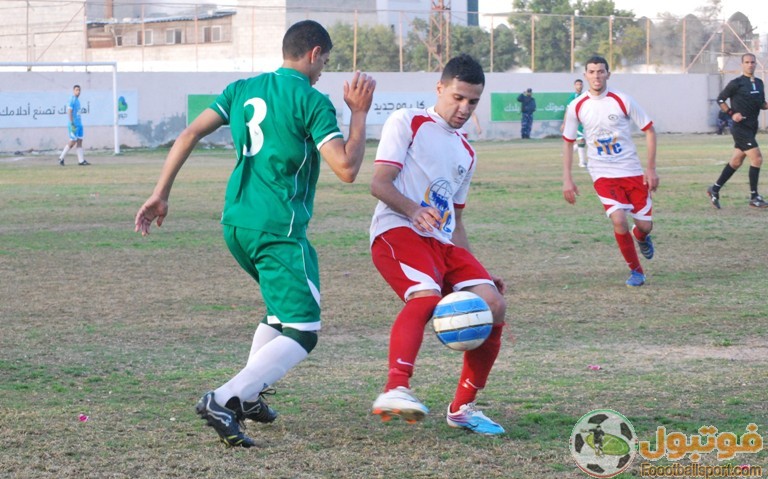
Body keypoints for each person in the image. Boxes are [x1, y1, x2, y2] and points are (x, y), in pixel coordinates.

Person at [134, 20, 375, 448]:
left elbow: (189, 132)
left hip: (236, 223)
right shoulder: (312, 100)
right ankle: (225, 399)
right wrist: (358, 113)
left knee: (281, 316)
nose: (324, 72)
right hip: (277, 228)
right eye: (326, 62)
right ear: (315, 53)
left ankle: (248, 399)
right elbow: (347, 169)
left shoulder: (241, 89)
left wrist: (160, 193)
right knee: (303, 330)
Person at [368, 54, 507, 435]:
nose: (464, 108)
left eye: (473, 101)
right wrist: (413, 210)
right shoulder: (408, 120)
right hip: (397, 229)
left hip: (441, 243)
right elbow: (379, 183)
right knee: (426, 296)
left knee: (492, 304)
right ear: (440, 89)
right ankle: (395, 388)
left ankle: (462, 408)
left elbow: (456, 221)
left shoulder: (467, 151)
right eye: (458, 97)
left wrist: (475, 269)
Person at [562, 56, 658, 288]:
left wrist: (651, 168)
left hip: (632, 171)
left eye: (601, 71)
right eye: (592, 72)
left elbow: (650, 130)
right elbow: (568, 141)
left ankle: (641, 236)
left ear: (608, 74)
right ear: (585, 75)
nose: (596, 76)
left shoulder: (622, 100)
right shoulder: (576, 106)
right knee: (618, 220)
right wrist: (567, 178)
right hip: (602, 174)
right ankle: (636, 271)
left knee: (644, 226)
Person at [706, 53, 768, 209]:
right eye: (747, 62)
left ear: (756, 64)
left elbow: (761, 104)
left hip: (752, 127)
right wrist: (732, 113)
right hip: (740, 128)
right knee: (757, 158)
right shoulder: (736, 83)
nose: (750, 65)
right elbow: (720, 99)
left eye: (752, 62)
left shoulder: (760, 83)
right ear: (742, 65)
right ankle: (754, 196)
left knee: (736, 161)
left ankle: (715, 189)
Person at [58, 85, 90, 166]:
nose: (78, 91)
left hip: (79, 125)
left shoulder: (77, 100)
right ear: (73, 91)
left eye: (79, 90)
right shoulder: (72, 99)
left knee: (79, 141)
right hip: (74, 125)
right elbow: (69, 111)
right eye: (76, 90)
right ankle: (61, 157)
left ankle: (81, 161)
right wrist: (72, 123)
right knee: (72, 141)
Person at [568, 79, 588, 167]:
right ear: (574, 86)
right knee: (581, 140)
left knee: (587, 139)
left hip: (586, 121)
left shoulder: (585, 95)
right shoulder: (573, 96)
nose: (579, 86)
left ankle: (568, 151)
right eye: (577, 84)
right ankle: (582, 162)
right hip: (577, 121)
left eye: (581, 84)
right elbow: (569, 109)